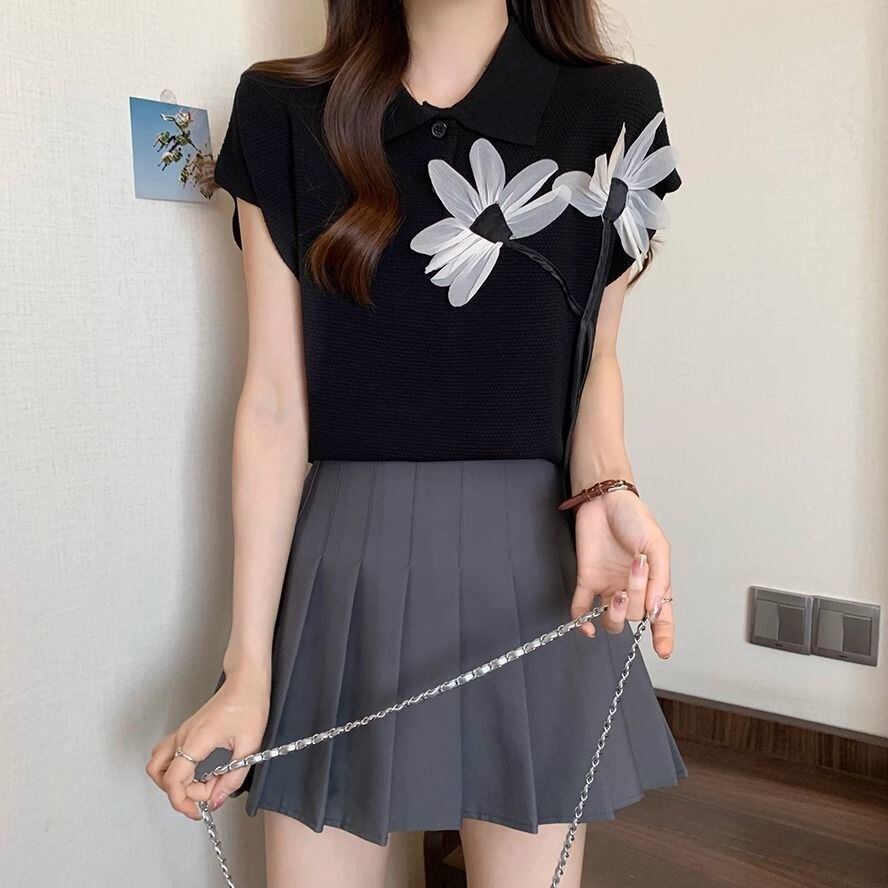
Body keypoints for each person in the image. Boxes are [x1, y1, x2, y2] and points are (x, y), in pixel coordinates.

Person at [146, 1, 684, 885]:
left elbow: (595, 359)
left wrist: (609, 488)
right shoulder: (283, 112)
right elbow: (275, 404)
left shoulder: (612, 109)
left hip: (537, 573)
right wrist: (247, 670)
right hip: (346, 574)